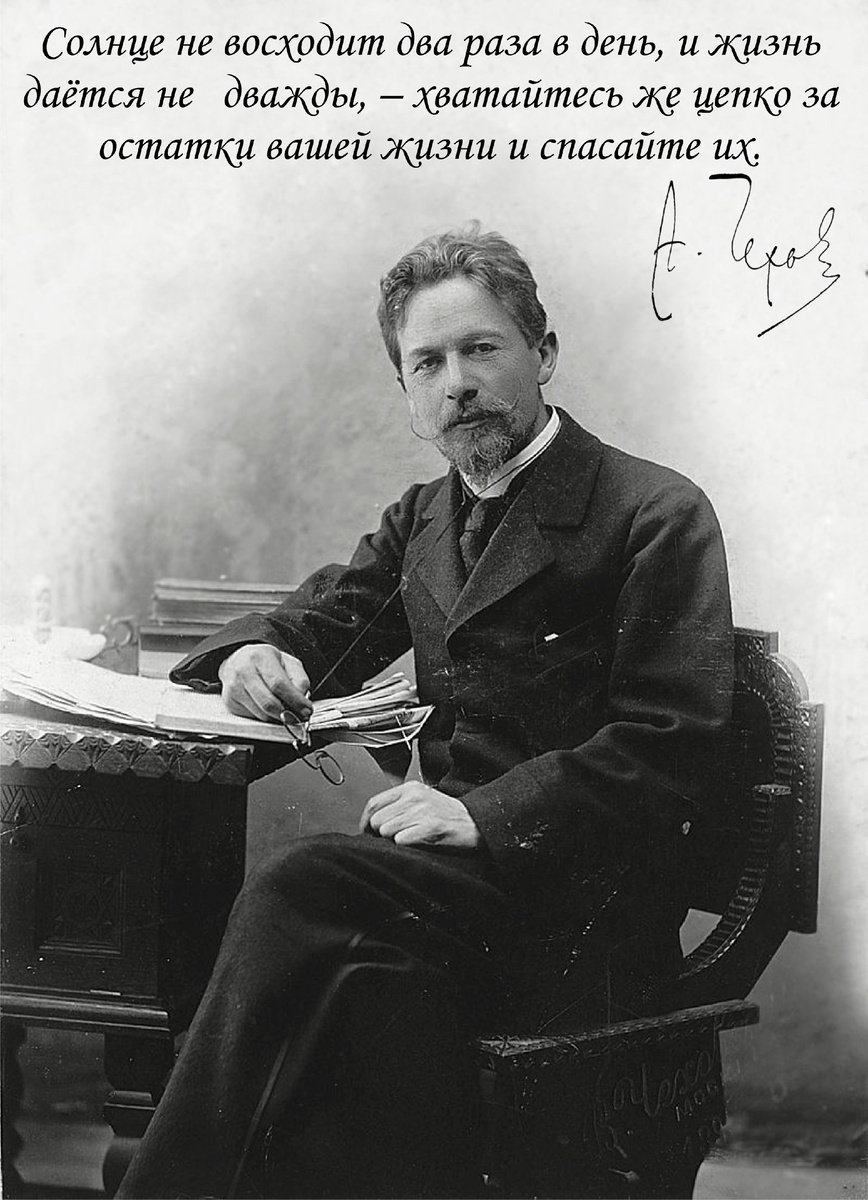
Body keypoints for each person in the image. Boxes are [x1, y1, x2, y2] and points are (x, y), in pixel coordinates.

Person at [117, 227, 734, 1199]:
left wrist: (481, 813)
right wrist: (253, 654)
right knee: (347, 992)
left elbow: (673, 745)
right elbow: (320, 625)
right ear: (406, 389)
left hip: (586, 908)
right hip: (453, 899)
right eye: (428, 362)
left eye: (481, 349)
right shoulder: (425, 519)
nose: (458, 383)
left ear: (543, 352)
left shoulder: (653, 512)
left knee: (300, 884)